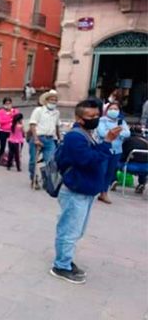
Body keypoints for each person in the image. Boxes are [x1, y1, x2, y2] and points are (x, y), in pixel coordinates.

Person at [50, 99, 121, 284]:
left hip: (85, 191)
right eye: (90, 116)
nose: (95, 119)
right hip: (75, 191)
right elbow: (88, 160)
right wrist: (106, 143)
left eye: (97, 115)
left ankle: (65, 260)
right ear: (79, 118)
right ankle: (60, 266)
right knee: (69, 230)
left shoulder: (87, 132)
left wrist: (105, 142)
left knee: (76, 230)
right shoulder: (75, 137)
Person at [96, 102, 130, 204]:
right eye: (111, 109)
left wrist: (112, 132)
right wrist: (118, 132)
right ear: (106, 110)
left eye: (116, 109)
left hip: (117, 150)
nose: (114, 111)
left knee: (110, 172)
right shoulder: (102, 121)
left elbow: (127, 133)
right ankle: (96, 189)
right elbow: (102, 133)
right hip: (105, 149)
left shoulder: (121, 121)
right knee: (102, 170)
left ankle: (104, 192)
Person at [28, 89, 61, 188]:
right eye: (51, 99)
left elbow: (57, 126)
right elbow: (33, 124)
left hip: (50, 139)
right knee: (33, 161)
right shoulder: (39, 110)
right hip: (38, 137)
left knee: (50, 161)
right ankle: (33, 179)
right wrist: (36, 139)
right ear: (46, 100)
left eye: (55, 100)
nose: (53, 102)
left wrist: (59, 138)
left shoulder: (56, 112)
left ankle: (47, 180)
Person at [122, 126, 148, 194]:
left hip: (130, 166)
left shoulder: (127, 140)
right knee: (143, 168)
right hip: (145, 167)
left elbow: (124, 154)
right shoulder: (146, 141)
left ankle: (113, 180)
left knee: (115, 162)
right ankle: (141, 183)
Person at [0, 97, 20, 163]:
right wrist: (10, 118)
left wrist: (11, 115)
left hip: (12, 132)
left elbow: (18, 119)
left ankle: (11, 159)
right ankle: (0, 158)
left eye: (9, 103)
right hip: (3, 131)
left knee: (12, 146)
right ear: (3, 104)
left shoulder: (15, 111)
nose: (8, 105)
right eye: (6, 103)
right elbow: (0, 121)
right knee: (2, 145)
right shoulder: (0, 112)